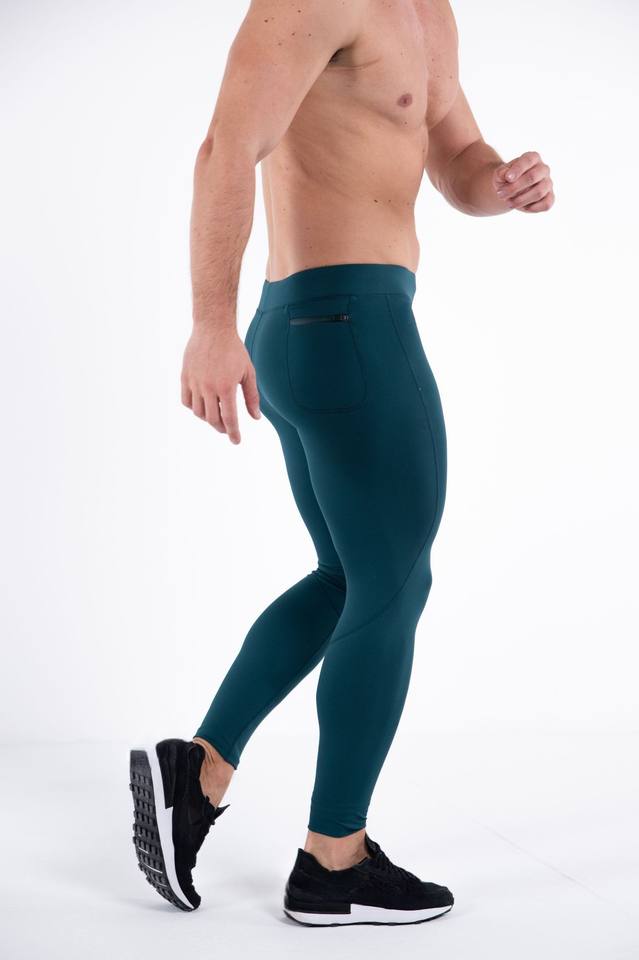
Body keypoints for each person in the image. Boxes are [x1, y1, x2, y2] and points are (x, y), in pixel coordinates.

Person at [129, 0, 554, 926]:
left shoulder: (428, 12)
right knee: (395, 584)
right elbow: (224, 148)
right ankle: (333, 862)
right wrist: (207, 324)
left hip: (328, 327)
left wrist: (501, 183)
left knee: (348, 575)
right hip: (348, 325)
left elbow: (456, 157)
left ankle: (197, 772)